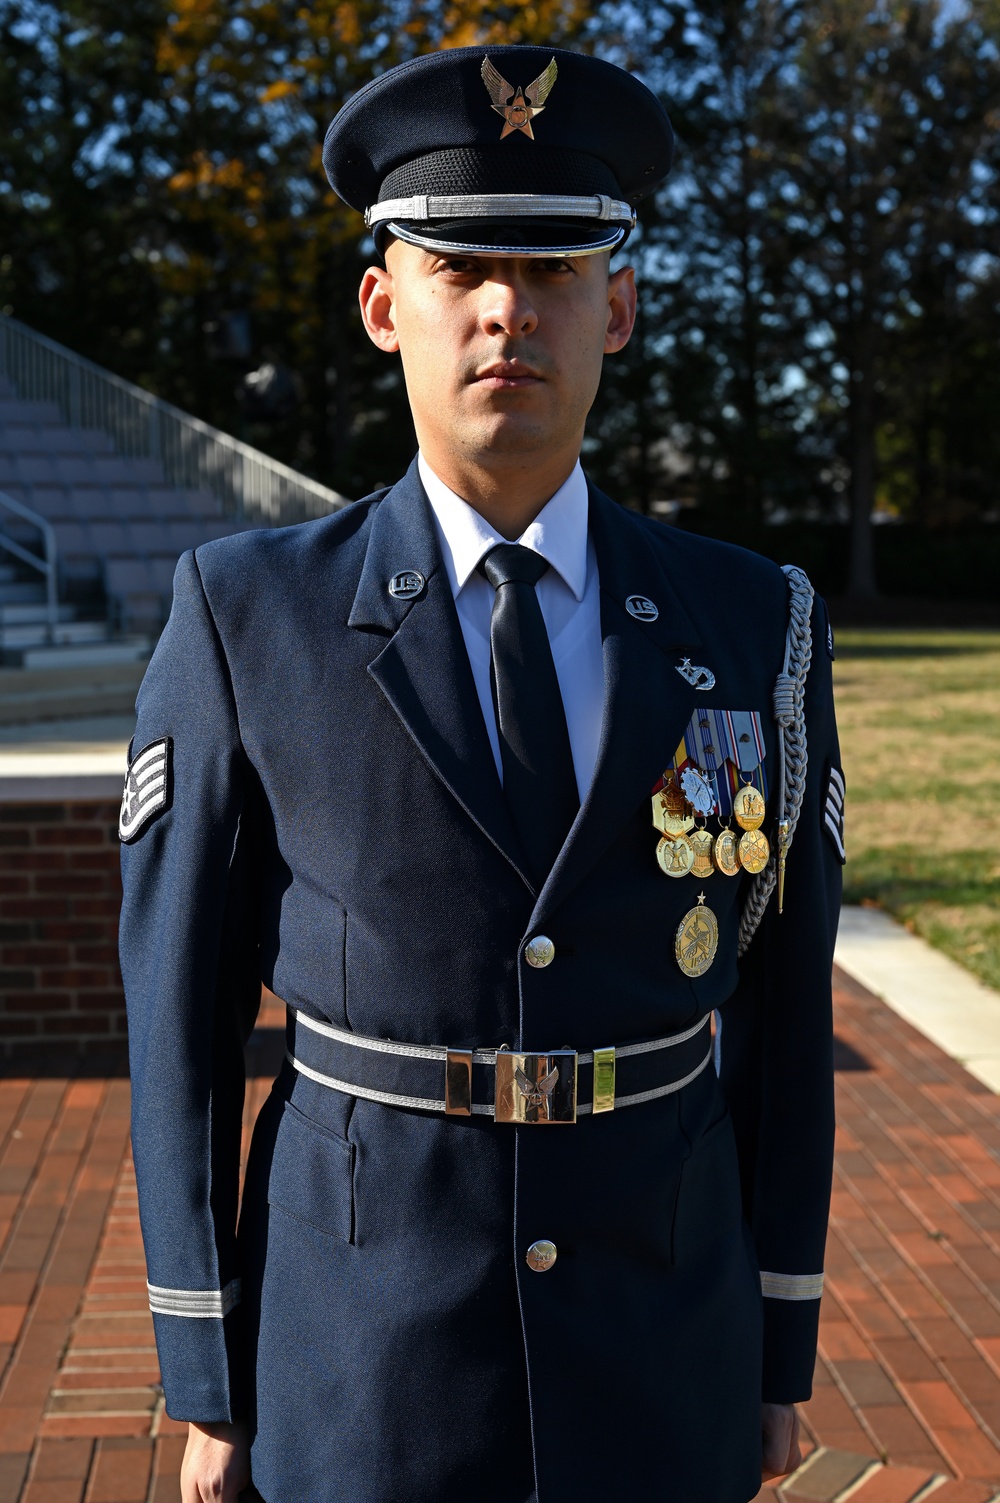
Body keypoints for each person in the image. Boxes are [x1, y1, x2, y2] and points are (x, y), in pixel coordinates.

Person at [118, 43, 845, 1503]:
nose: (509, 306)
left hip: (663, 1333)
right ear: (387, 306)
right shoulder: (246, 615)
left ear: (619, 306)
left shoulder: (753, 619)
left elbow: (783, 1006)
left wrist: (776, 1344)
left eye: (560, 266)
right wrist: (207, 1363)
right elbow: (182, 1021)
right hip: (364, 1349)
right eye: (461, 267)